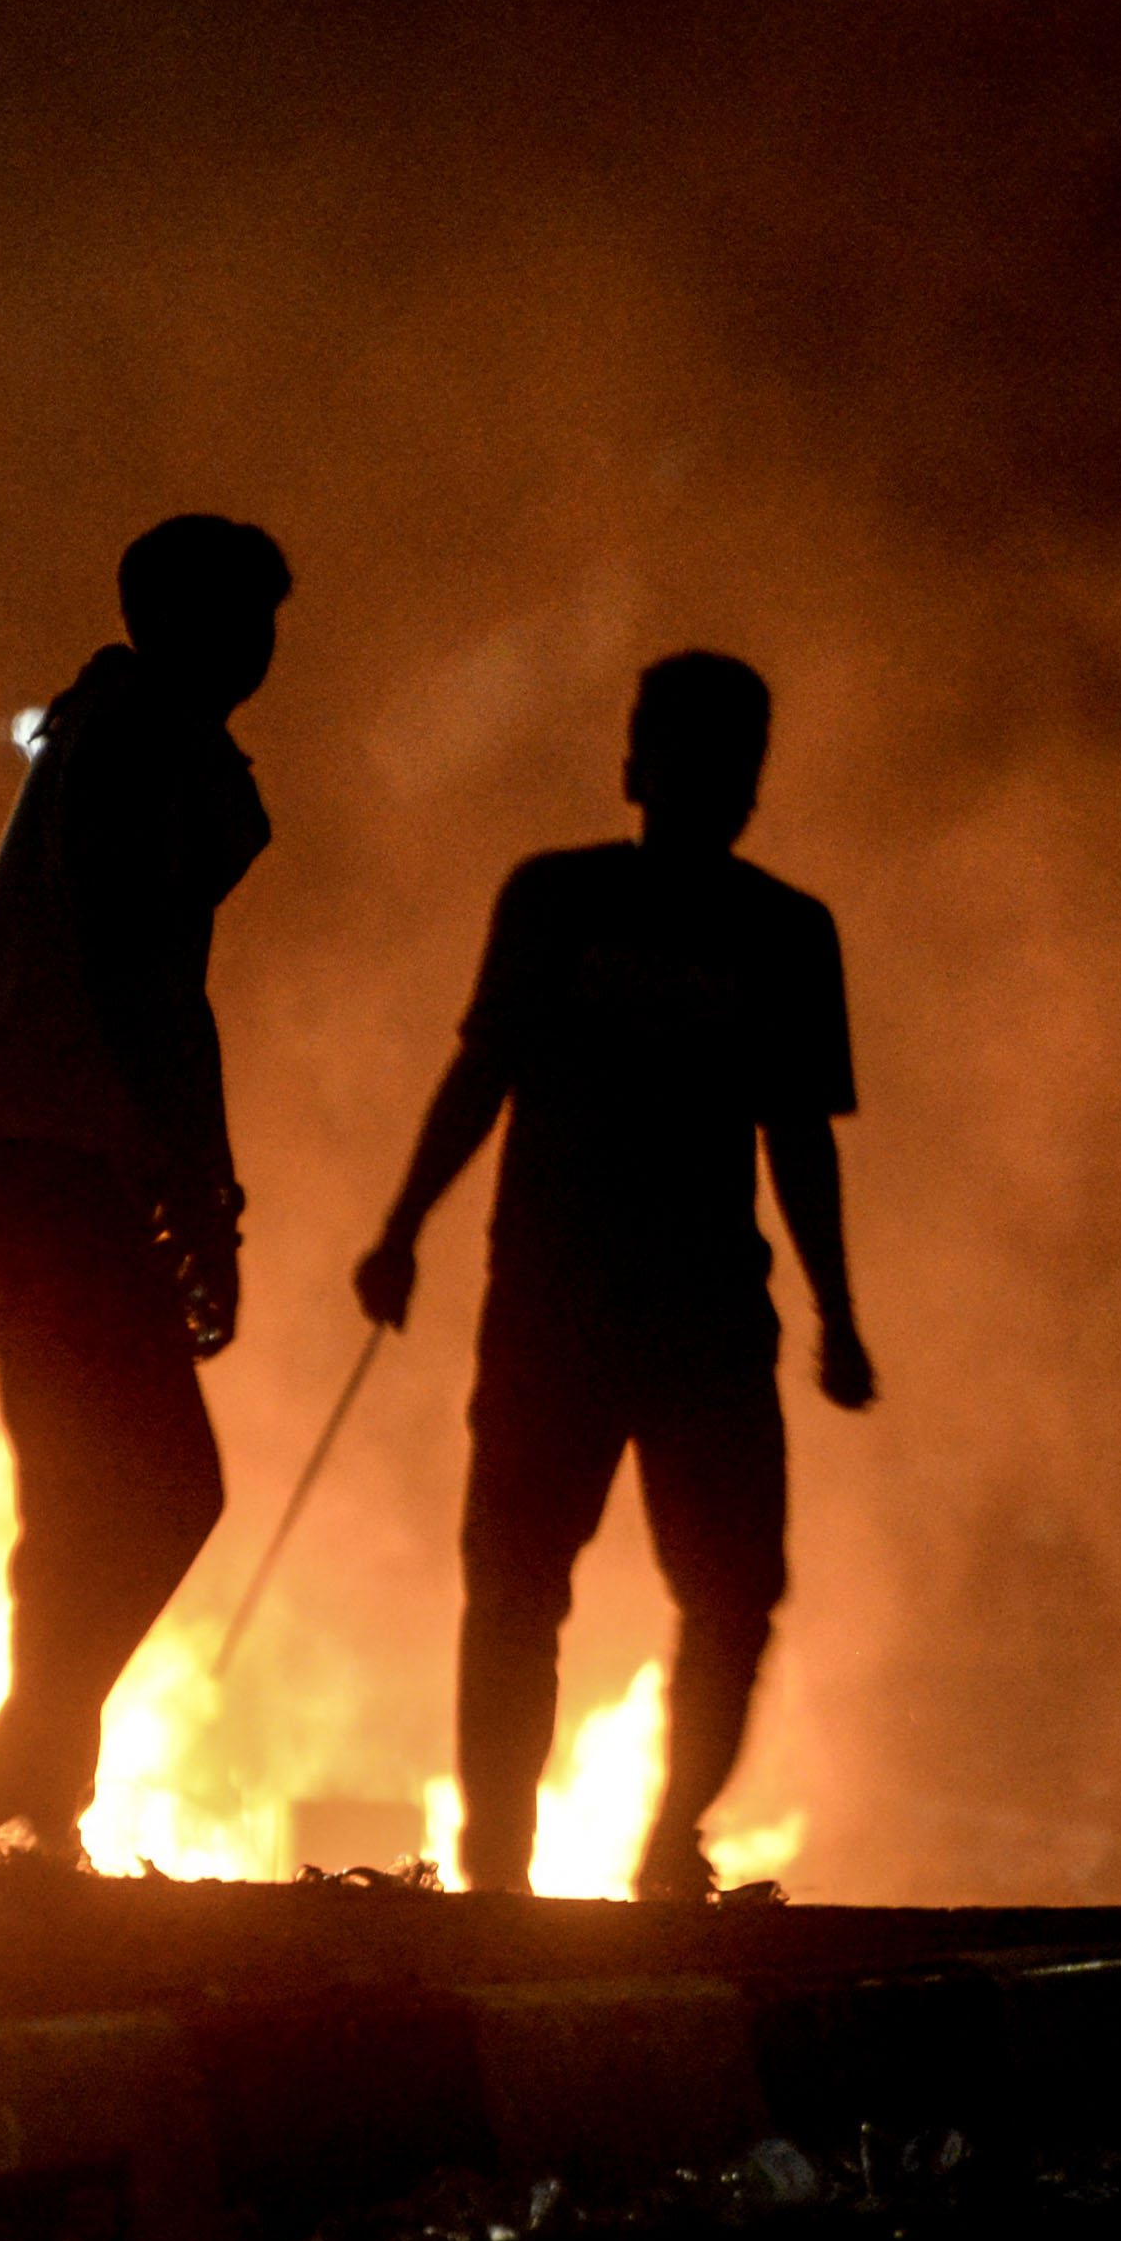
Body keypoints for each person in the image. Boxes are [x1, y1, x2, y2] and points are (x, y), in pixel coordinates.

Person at [355, 651, 874, 1900]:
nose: (705, 775)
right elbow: (484, 1072)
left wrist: (838, 1311)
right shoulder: (558, 902)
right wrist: (402, 1225)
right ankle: (500, 1866)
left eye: (726, 753)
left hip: (684, 1309)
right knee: (525, 1581)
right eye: (685, 746)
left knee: (723, 1590)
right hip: (562, 1304)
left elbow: (797, 1135)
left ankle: (656, 1843)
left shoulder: (784, 935)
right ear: (639, 763)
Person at [0, 515, 286, 1859]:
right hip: (63, 1161)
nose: (262, 650)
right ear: (198, 625)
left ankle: (34, 1798)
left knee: (81, 1495)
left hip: (10, 1155)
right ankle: (27, 1761)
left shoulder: (98, 726)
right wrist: (203, 1192)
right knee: (166, 1489)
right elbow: (154, 986)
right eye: (248, 618)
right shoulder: (157, 744)